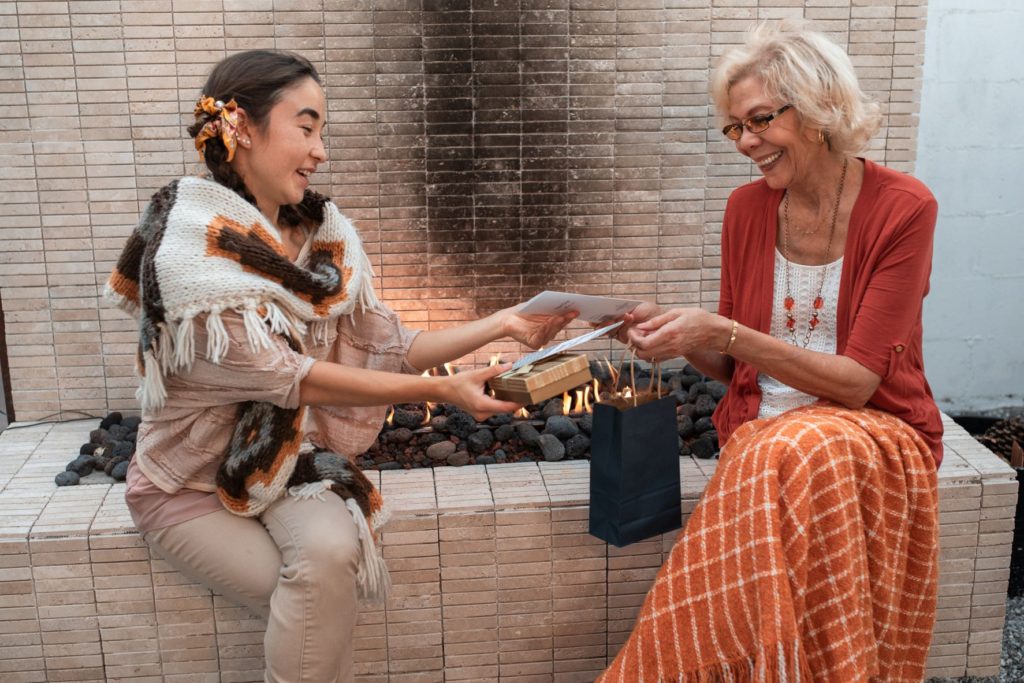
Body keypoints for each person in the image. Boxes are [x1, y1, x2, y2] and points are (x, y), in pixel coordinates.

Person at [105, 50, 574, 683]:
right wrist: (439, 392)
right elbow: (286, 376)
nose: (320, 150)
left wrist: (504, 323)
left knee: (330, 557)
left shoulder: (324, 241)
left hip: (280, 464)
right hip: (185, 488)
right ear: (241, 127)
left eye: (322, 131)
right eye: (306, 126)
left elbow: (391, 344)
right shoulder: (194, 250)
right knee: (314, 598)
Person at [600, 21, 942, 682]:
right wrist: (685, 335)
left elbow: (857, 383)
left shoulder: (905, 208)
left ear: (817, 108)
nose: (746, 143)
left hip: (875, 435)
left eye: (759, 120)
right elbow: (738, 371)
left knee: (782, 449)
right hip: (768, 444)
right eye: (734, 128)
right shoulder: (745, 210)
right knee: (770, 446)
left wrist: (722, 330)